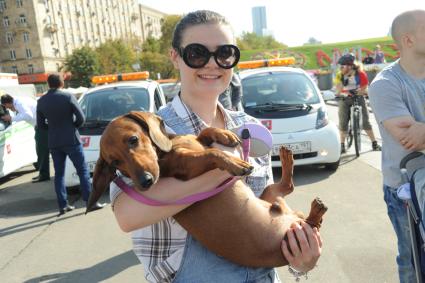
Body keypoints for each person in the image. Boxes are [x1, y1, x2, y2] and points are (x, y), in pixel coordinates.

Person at [110, 10, 321, 283]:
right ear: (175, 56)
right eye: (197, 53)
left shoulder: (249, 127)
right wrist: (219, 167)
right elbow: (127, 215)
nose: (212, 64)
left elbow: (265, 208)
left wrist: (300, 259)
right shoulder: (146, 132)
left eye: (225, 54)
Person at [368, 9, 425, 283]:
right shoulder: (386, 84)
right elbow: (408, 139)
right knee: (413, 260)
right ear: (409, 40)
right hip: (406, 189)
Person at [36, 74, 105, 215]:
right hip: (71, 139)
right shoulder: (67, 97)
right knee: (82, 171)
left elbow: (41, 126)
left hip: (54, 141)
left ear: (48, 84)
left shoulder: (41, 101)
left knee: (59, 174)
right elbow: (81, 118)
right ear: (61, 83)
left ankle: (63, 206)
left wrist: (54, 129)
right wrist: (72, 127)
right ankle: (90, 202)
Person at [334, 53, 382, 154]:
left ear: (351, 65)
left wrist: (357, 92)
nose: (342, 68)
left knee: (365, 121)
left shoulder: (360, 74)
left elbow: (364, 87)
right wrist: (343, 80)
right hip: (344, 99)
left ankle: (374, 143)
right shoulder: (340, 75)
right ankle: (342, 145)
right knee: (343, 122)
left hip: (358, 96)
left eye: (344, 66)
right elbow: (338, 91)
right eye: (341, 66)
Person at [1, 93, 50, 182]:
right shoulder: (18, 101)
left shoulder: (20, 103)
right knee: (41, 151)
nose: (7, 108)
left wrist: (12, 118)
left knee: (42, 151)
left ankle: (44, 175)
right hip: (41, 126)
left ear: (8, 103)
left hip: (42, 127)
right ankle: (43, 174)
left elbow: (28, 115)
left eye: (6, 106)